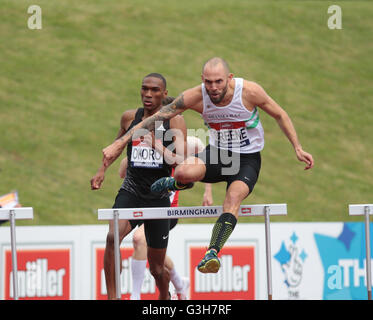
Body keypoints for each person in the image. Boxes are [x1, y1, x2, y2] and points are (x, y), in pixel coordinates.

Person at [100, 57, 314, 275]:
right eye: (208, 82)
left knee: (233, 198)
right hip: (218, 154)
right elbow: (160, 115)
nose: (213, 88)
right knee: (183, 170)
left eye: (219, 82)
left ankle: (212, 252)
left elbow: (280, 114)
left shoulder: (249, 92)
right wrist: (120, 144)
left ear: (229, 78)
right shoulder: (196, 95)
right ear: (202, 80)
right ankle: (180, 183)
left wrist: (297, 147)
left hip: (247, 160)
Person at [90, 73, 189, 300]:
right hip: (132, 189)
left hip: (159, 195)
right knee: (112, 237)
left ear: (164, 94)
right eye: (144, 88)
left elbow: (181, 161)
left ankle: (165, 295)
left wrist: (156, 146)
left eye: (154, 90)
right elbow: (116, 146)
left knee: (155, 268)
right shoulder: (129, 118)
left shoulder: (174, 121)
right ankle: (113, 297)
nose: (148, 94)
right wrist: (101, 171)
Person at [119, 135, 212, 300]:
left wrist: (208, 191)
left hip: (167, 209)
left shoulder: (189, 143)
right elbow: (122, 173)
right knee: (153, 253)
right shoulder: (144, 140)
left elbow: (208, 159)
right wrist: (136, 152)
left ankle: (135, 296)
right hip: (145, 204)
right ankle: (180, 282)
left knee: (140, 239)